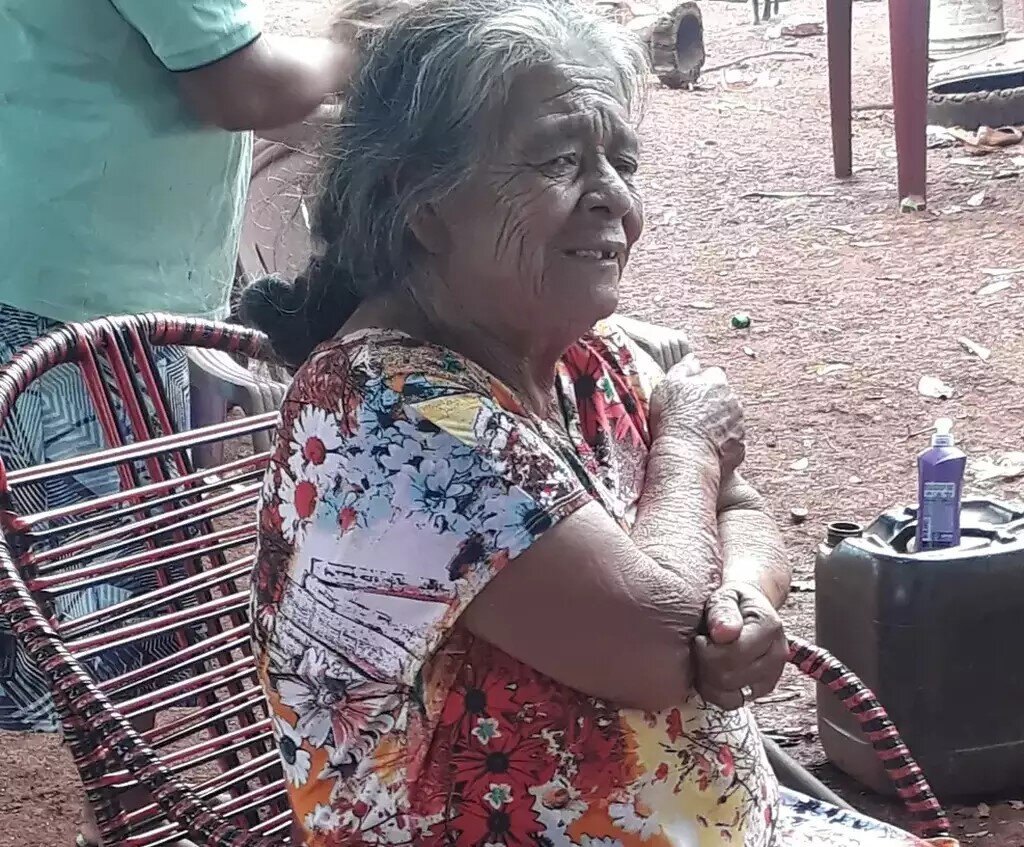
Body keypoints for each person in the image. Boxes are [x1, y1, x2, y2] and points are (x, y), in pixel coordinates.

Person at [243, 0, 934, 844]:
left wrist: (744, 600)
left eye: (624, 161)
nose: (614, 197)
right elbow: (657, 647)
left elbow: (739, 505)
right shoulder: (390, 414)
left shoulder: (577, 351)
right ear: (419, 202)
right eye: (560, 160)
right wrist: (688, 445)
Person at [0, 1, 360, 843]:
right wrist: (356, 52)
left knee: (65, 574)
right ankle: (129, 819)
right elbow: (242, 85)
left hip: (46, 256)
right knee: (118, 602)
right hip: (86, 295)